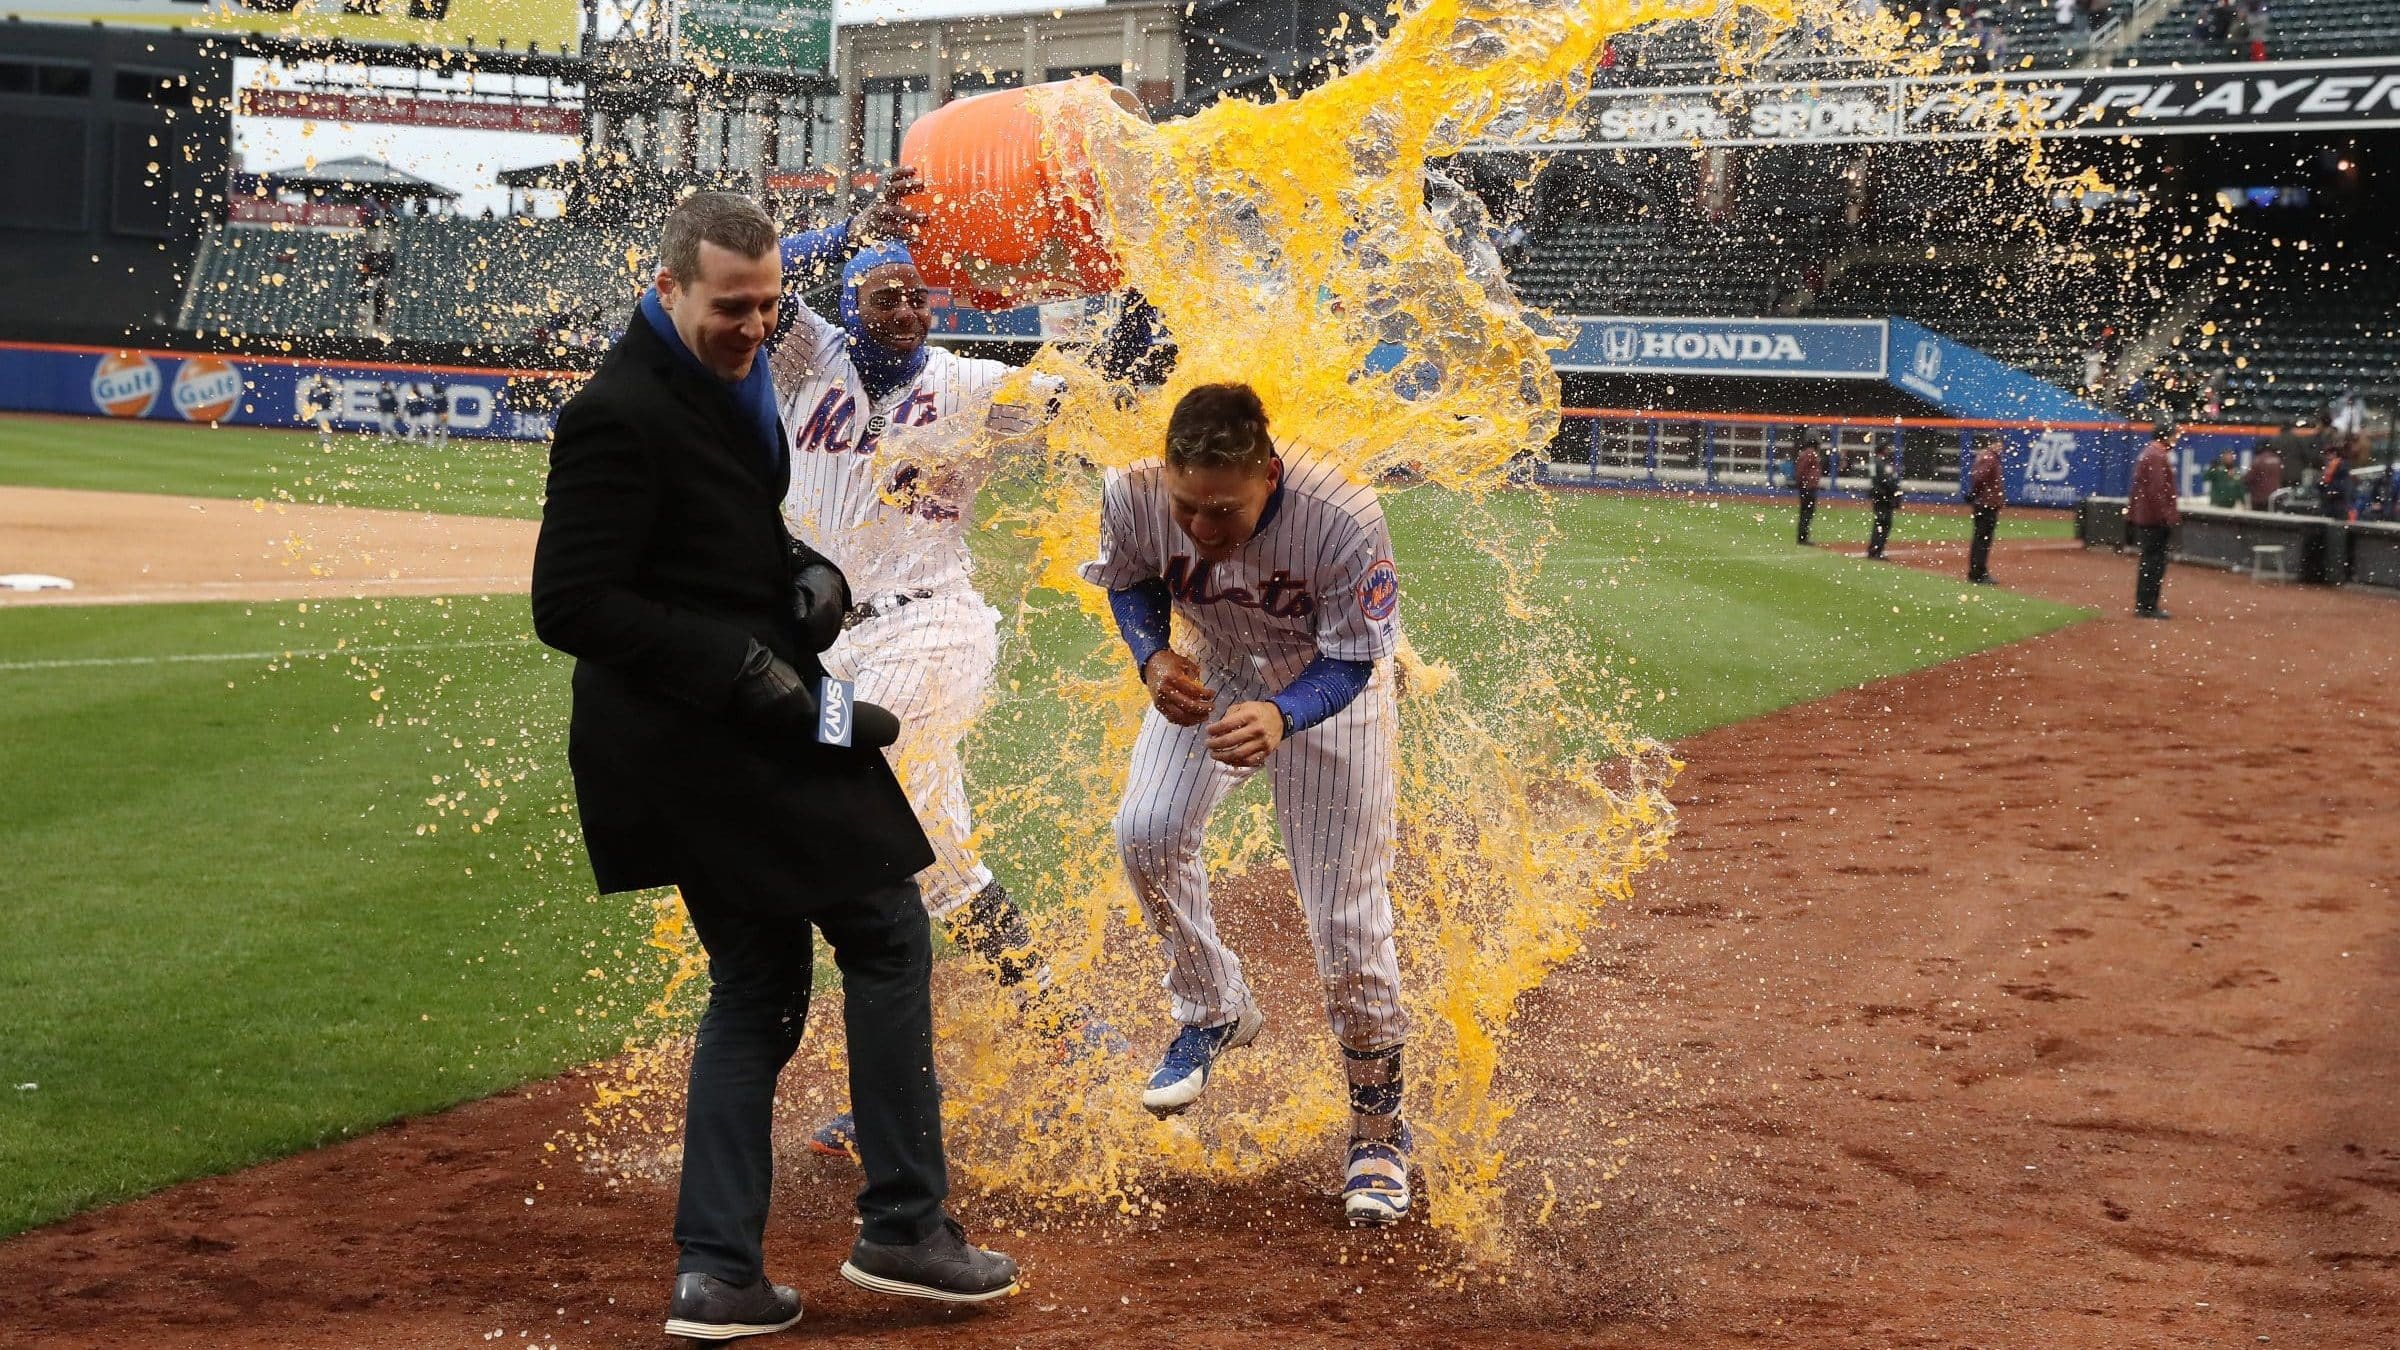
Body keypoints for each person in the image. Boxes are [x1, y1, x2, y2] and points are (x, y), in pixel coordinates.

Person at [530, 191, 1019, 1339]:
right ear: (668, 291)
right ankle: (904, 1227)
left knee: (758, 982)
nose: (754, 327)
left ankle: (720, 1277)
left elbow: (720, 532)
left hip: (751, 712)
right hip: (712, 729)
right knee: (888, 926)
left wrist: (802, 567)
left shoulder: (730, 375)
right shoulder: (618, 411)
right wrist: (747, 668)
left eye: (764, 307)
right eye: (728, 308)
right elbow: (571, 603)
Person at [769, 173, 1118, 1159]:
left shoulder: (965, 383)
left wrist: (1116, 306)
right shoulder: (809, 359)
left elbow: (1089, 402)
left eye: (921, 296)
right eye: (889, 295)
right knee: (938, 867)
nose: (912, 310)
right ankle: (1057, 1032)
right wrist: (845, 227)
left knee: (844, 797)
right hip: (837, 643)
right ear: (852, 305)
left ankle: (900, 1089)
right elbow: (731, 268)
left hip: (934, 632)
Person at [1082, 382, 1415, 1227]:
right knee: (1146, 832)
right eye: (1186, 505)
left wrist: (1282, 714)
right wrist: (1153, 658)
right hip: (1218, 668)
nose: (1199, 528)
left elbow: (1353, 659)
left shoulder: (1340, 513)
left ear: (1269, 473)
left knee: (1344, 918)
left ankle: (1379, 1130)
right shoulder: (1130, 492)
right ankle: (1213, 1007)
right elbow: (1129, 582)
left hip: (1329, 686)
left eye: (1221, 510)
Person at [2127, 423, 2180, 618]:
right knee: (2154, 562)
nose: (2176, 439)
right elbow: (2157, 491)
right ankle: (2147, 605)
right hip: (2154, 519)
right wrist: (2166, 515)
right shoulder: (2157, 455)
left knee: (2149, 561)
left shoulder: (2150, 452)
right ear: (2165, 436)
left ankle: (2145, 604)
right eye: (2174, 435)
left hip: (2147, 516)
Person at [1966, 432, 2004, 584]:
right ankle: (1978, 572)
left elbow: (1979, 478)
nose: (2001, 447)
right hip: (1986, 505)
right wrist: (1975, 493)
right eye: (1998, 443)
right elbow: (1979, 478)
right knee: (1983, 540)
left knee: (1980, 539)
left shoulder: (1987, 456)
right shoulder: (1989, 457)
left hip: (1985, 504)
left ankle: (1977, 571)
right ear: (1991, 443)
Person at [1865, 436, 1901, 560]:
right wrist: (1895, 490)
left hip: (1878, 495)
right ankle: (1876, 550)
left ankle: (1874, 549)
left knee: (1880, 523)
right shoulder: (1881, 463)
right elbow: (1886, 481)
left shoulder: (1875, 462)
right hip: (1883, 496)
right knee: (1884, 523)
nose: (1888, 450)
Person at [1792, 430, 1824, 545]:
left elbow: (1800, 472)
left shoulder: (1807, 453)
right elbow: (1801, 471)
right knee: (1807, 512)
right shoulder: (1810, 453)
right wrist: (1805, 483)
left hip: (1807, 487)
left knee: (1806, 512)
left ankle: (1803, 537)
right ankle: (1803, 537)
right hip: (1808, 488)